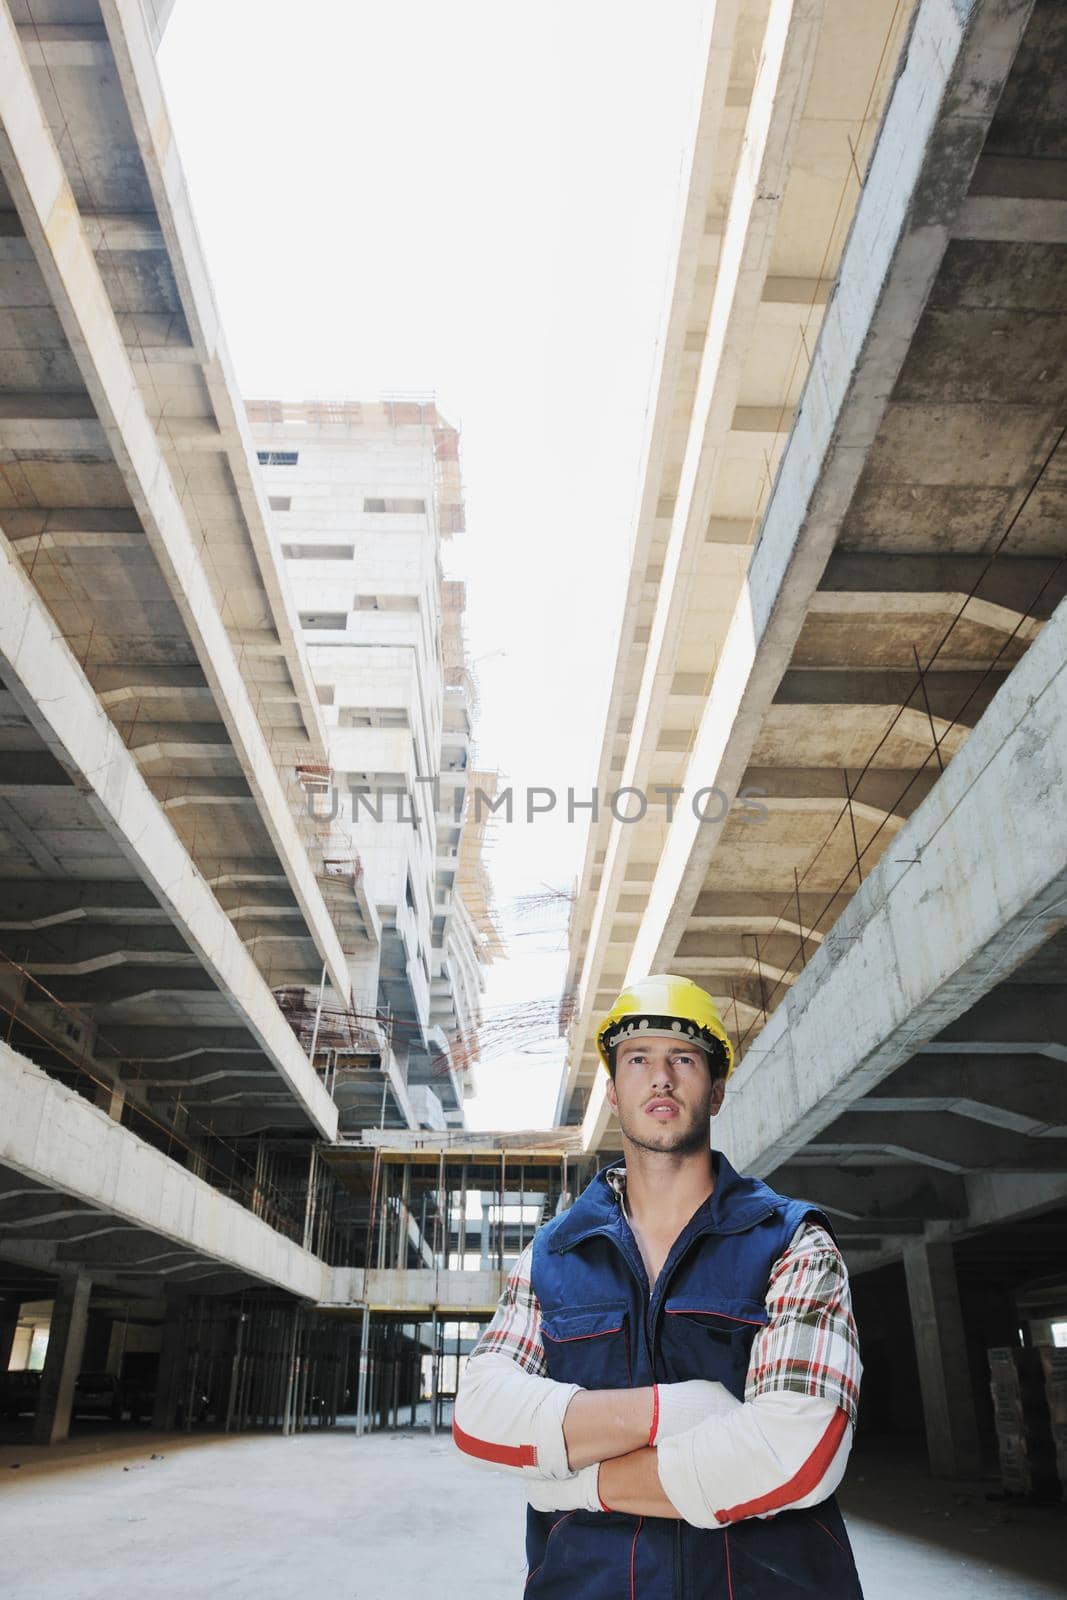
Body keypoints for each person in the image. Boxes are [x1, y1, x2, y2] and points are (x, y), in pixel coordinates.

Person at [453, 973, 864, 1598]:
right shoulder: (552, 1254)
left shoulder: (791, 1241)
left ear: (717, 1089)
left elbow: (797, 1451)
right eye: (638, 1058)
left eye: (684, 1059)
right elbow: (481, 1414)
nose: (661, 1077)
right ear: (614, 1091)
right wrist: (676, 1410)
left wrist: (580, 1483)